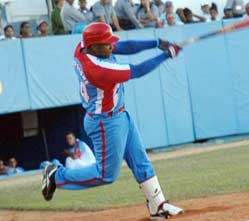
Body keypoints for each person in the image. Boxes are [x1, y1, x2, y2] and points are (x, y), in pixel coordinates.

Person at [42, 22, 183, 219]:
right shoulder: (99, 70)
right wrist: (167, 55)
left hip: (119, 113)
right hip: (105, 122)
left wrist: (157, 42)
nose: (111, 46)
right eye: (106, 44)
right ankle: (56, 175)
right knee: (105, 175)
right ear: (93, 47)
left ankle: (157, 205)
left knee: (140, 160)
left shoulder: (86, 46)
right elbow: (138, 70)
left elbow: (123, 46)